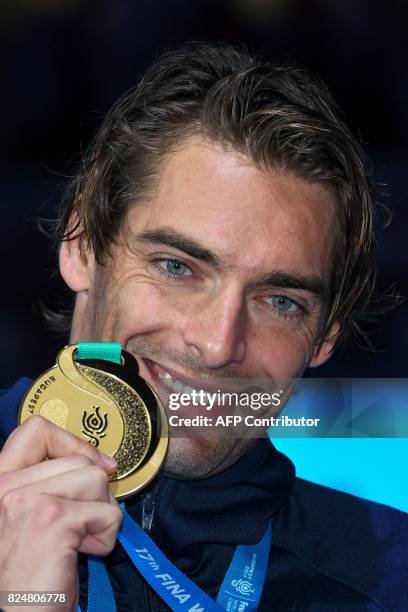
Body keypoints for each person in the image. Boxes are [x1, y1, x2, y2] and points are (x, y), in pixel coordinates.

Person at [0, 42, 407, 612]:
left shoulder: (391, 579)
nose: (218, 345)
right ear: (82, 245)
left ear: (326, 336)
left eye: (280, 302)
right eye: (177, 267)